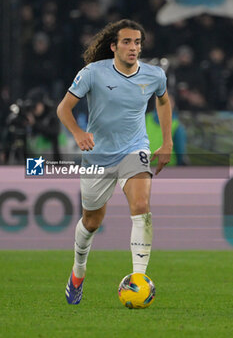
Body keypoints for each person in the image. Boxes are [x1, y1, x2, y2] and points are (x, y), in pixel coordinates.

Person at [57, 19, 173, 305]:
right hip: (98, 156)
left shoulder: (154, 75)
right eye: (127, 42)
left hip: (135, 149)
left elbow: (163, 100)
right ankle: (78, 273)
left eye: (137, 43)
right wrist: (79, 133)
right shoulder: (92, 73)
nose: (133, 47)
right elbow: (64, 108)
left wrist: (167, 141)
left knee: (141, 205)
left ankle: (138, 279)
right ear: (113, 46)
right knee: (91, 222)